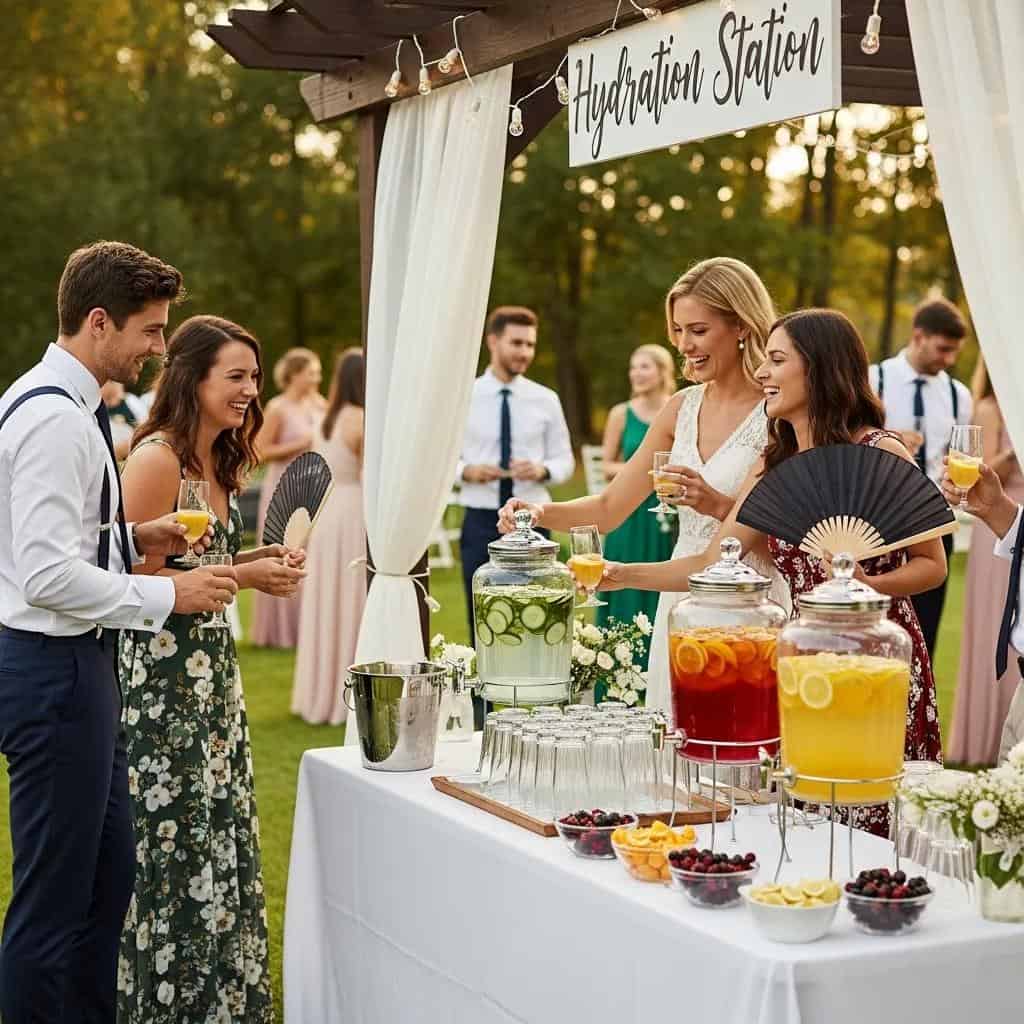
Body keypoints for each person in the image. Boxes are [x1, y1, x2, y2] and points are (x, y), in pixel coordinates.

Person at [0, 242, 238, 1024]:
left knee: (106, 882)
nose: (159, 348)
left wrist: (133, 539)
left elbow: (55, 546)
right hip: (55, 670)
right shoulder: (53, 420)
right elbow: (43, 576)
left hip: (75, 667)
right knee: (54, 904)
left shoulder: (63, 405)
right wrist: (167, 593)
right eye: (150, 330)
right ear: (99, 322)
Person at [598, 308, 946, 833]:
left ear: (820, 368)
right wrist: (621, 573)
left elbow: (931, 565)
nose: (762, 372)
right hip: (801, 663)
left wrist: (864, 587)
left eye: (777, 360)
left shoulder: (879, 450)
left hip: (874, 659)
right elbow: (712, 563)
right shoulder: (773, 462)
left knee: (867, 821)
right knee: (808, 821)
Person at [116, 315, 306, 1022]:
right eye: (235, 376)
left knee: (216, 834)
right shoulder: (157, 459)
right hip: (159, 684)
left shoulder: (217, 460)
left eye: (254, 377)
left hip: (211, 679)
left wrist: (256, 562)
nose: (250, 390)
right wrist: (246, 578)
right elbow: (128, 576)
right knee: (172, 849)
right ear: (193, 379)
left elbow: (201, 563)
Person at [499, 259, 788, 720]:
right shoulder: (680, 407)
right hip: (681, 597)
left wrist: (622, 571)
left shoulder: (778, 410)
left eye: (698, 330)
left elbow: (786, 529)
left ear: (739, 325)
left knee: (741, 739)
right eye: (678, 331)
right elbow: (609, 507)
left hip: (754, 596)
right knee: (677, 734)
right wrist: (537, 512)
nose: (684, 345)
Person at [457, 306, 574, 644]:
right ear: (493, 341)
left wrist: (543, 469)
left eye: (530, 345)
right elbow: (441, 460)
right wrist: (466, 471)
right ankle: (483, 682)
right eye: (517, 343)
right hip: (481, 521)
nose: (525, 352)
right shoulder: (463, 397)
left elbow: (564, 460)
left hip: (533, 522)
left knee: (538, 620)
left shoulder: (546, 399)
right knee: (482, 618)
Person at [869, 298, 971, 660]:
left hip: (934, 523)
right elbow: (847, 443)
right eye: (943, 349)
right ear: (918, 336)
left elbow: (961, 455)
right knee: (874, 630)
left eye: (954, 351)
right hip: (878, 523)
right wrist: (890, 438)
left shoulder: (959, 394)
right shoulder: (874, 379)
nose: (949, 359)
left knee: (925, 636)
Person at [947, 360, 1023, 765]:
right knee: (996, 623)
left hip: (1013, 520)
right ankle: (982, 739)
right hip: (997, 526)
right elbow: (985, 467)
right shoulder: (992, 408)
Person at [292, 348, 367, 725]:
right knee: (351, 599)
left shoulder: (324, 419)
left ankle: (320, 694)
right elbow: (371, 478)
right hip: (354, 512)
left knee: (328, 601)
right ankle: (350, 692)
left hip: (326, 512)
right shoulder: (362, 420)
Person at [594, 344, 678, 669]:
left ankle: (658, 671)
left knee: (662, 583)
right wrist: (644, 474)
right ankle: (617, 671)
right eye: (633, 367)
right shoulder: (621, 413)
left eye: (644, 366)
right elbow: (606, 466)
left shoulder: (677, 409)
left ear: (662, 371)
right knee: (622, 582)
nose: (636, 373)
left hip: (666, 513)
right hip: (628, 514)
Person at [251, 346, 325, 647]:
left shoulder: (320, 404)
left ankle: (309, 628)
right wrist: (301, 443)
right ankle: (281, 632)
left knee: (308, 554)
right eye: (311, 373)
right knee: (284, 549)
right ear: (294, 375)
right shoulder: (278, 408)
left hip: (313, 487)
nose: (317, 378)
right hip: (284, 486)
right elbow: (259, 452)